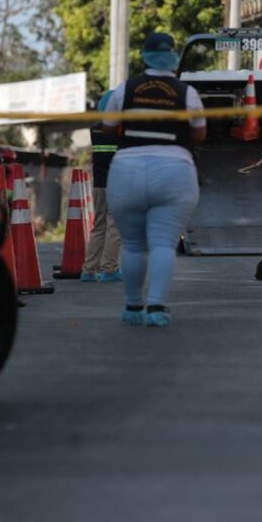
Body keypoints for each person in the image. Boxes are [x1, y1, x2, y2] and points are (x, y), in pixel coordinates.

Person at [103, 32, 205, 328]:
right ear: (172, 57)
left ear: (144, 57)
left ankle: (133, 306)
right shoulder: (186, 92)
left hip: (126, 171)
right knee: (163, 243)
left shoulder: (125, 89)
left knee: (133, 245)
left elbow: (109, 127)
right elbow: (199, 133)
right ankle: (157, 306)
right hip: (175, 172)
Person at [81, 92, 123, 283]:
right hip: (116, 184)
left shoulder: (94, 130)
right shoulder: (121, 130)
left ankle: (89, 271)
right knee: (115, 227)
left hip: (98, 184)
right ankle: (110, 269)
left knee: (98, 227)